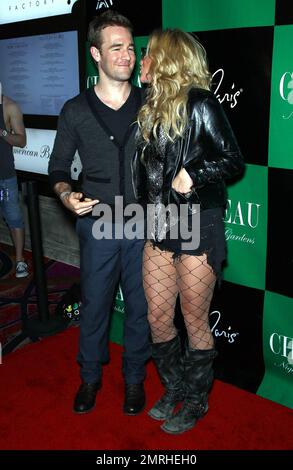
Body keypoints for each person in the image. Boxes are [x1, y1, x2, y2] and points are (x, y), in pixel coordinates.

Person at [133, 28, 244, 434]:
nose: (140, 61)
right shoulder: (150, 107)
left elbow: (233, 159)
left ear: (166, 60)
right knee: (159, 317)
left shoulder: (200, 103)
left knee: (194, 319)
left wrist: (194, 173)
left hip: (198, 222)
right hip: (160, 225)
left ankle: (196, 400)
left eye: (147, 55)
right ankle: (174, 386)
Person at [48, 10, 149, 416]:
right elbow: (57, 169)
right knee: (94, 306)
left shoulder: (150, 103)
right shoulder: (75, 110)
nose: (126, 55)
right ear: (96, 54)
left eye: (129, 47)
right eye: (115, 47)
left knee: (142, 308)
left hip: (144, 224)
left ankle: (135, 381)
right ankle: (89, 379)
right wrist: (64, 194)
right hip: (98, 223)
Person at [0, 94, 28, 278]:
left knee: (13, 217)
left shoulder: (9, 106)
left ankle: (20, 261)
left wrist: (2, 132)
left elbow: (21, 141)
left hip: (4, 176)